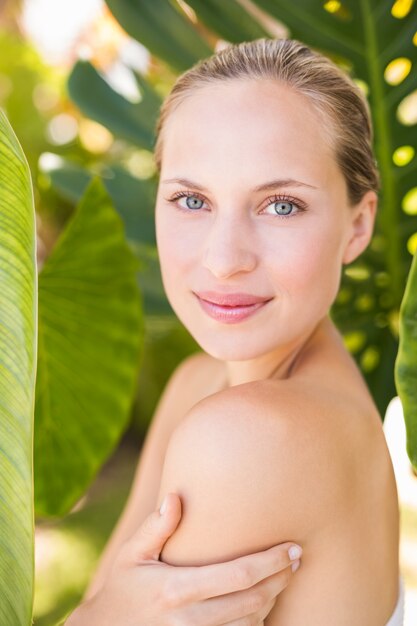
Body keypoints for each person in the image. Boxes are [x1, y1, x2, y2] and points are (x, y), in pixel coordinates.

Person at [66, 37, 403, 625]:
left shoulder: (248, 436)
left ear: (357, 226)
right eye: (192, 199)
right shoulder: (199, 383)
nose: (224, 260)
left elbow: (104, 607)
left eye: (280, 206)